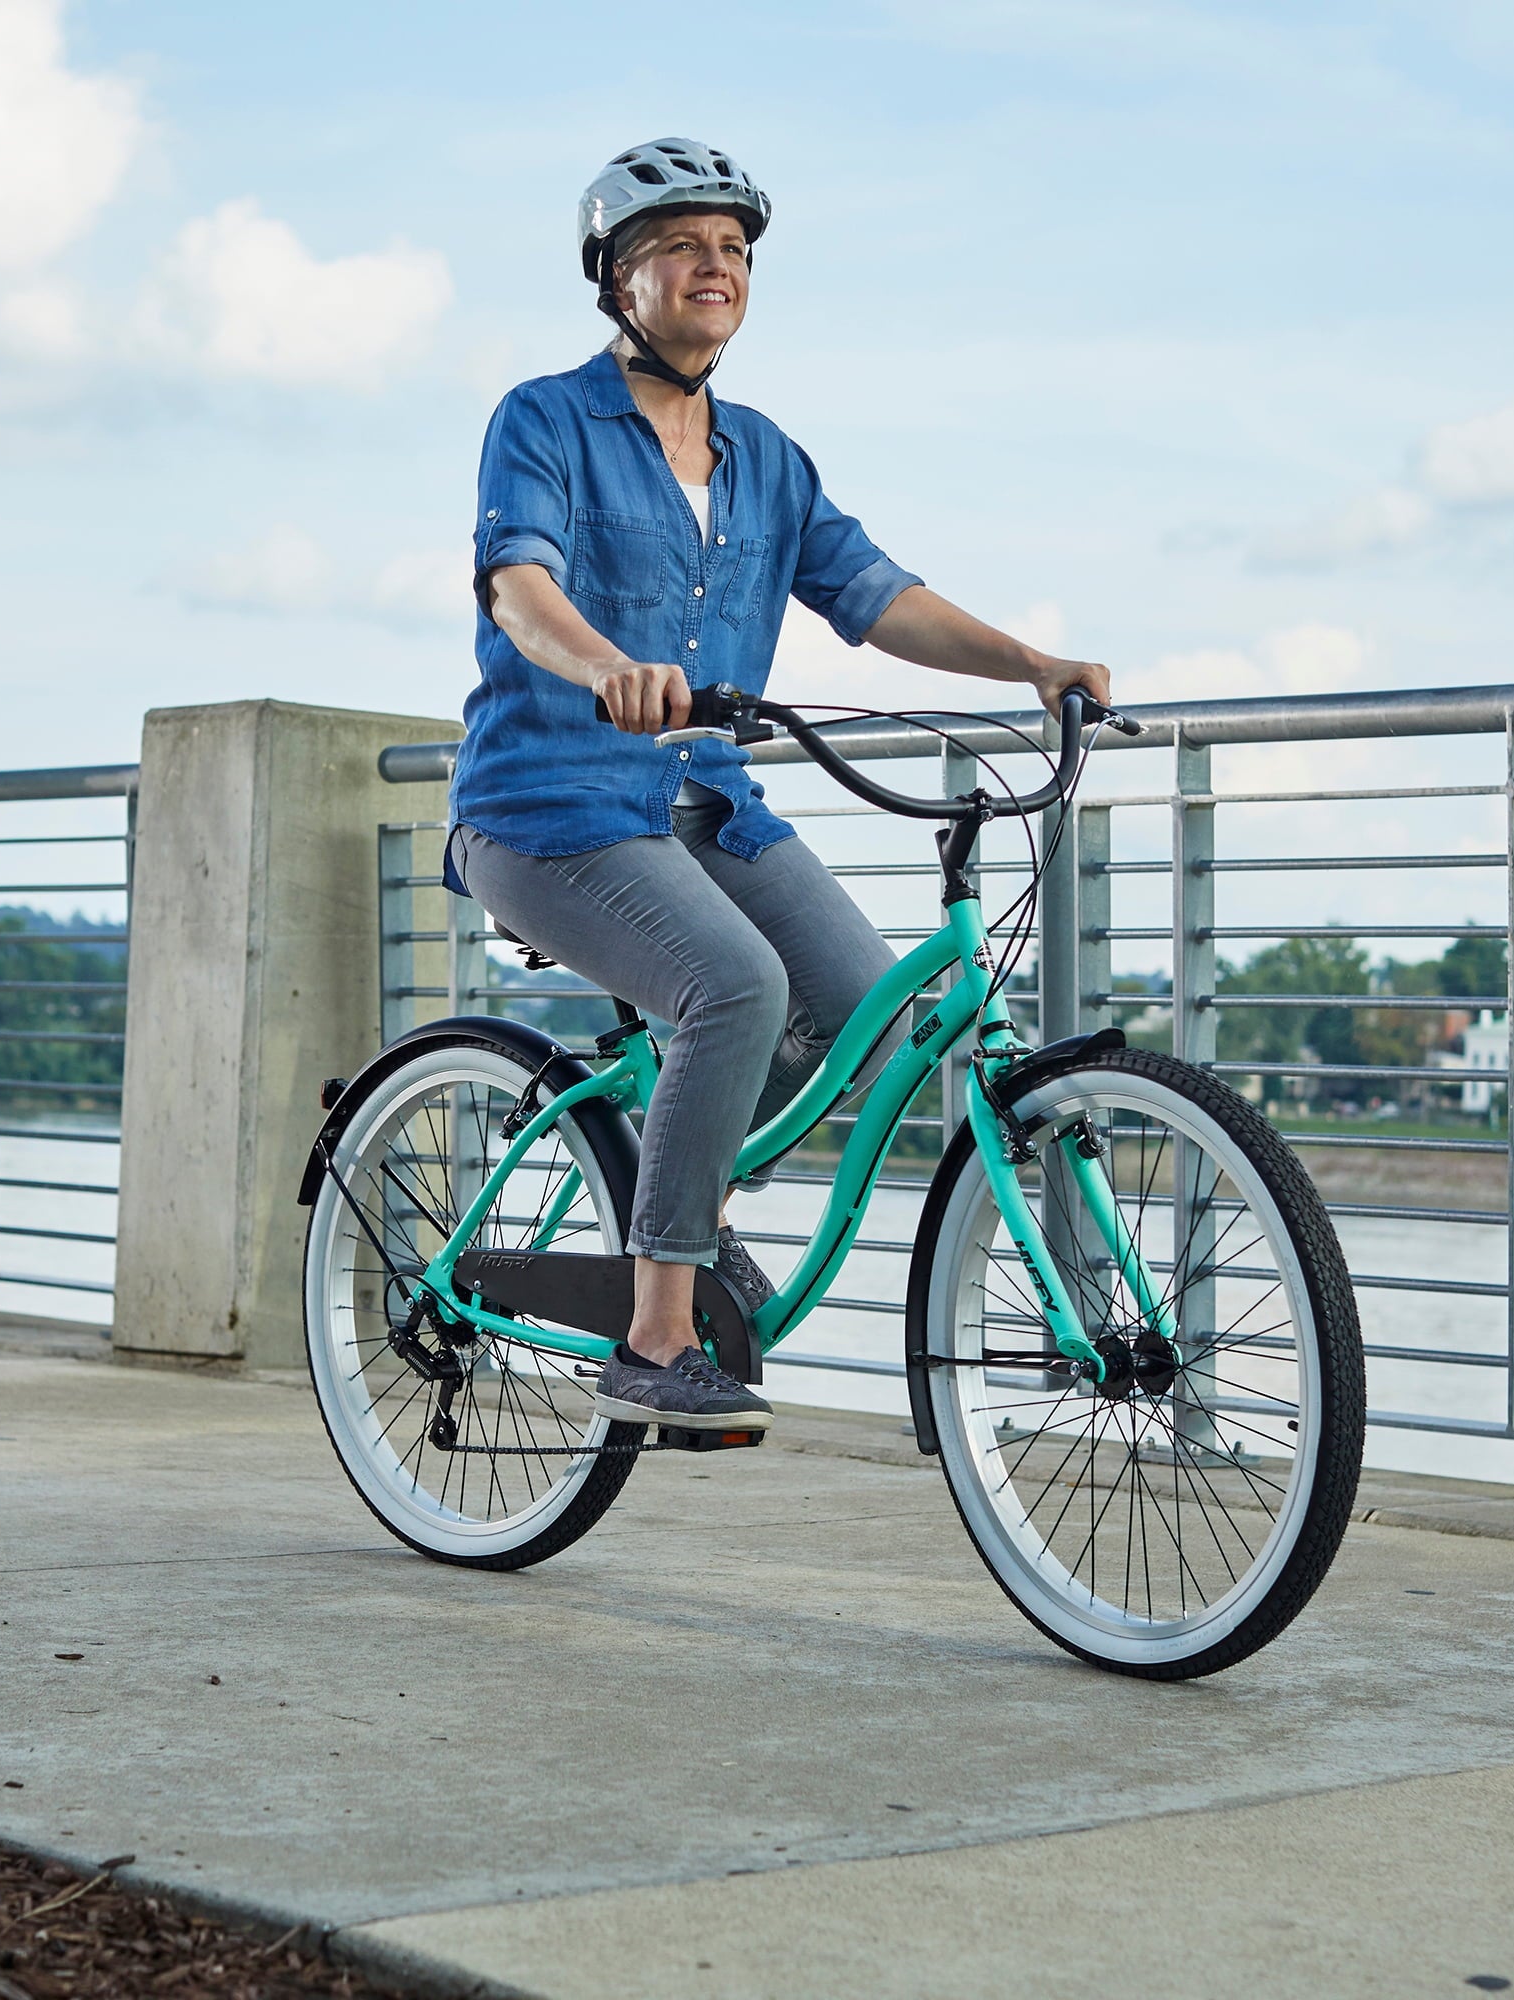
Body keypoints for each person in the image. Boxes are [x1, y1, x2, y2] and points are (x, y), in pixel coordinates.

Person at [449, 138, 1112, 1433]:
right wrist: (606, 667)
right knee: (733, 984)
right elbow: (517, 586)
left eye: (735, 249)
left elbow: (878, 599)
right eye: (683, 245)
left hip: (709, 808)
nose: (717, 266)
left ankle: (670, 1216)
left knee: (864, 1011)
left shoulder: (765, 458)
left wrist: (1029, 663)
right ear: (618, 279)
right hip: (549, 805)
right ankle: (651, 1340)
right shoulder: (544, 420)